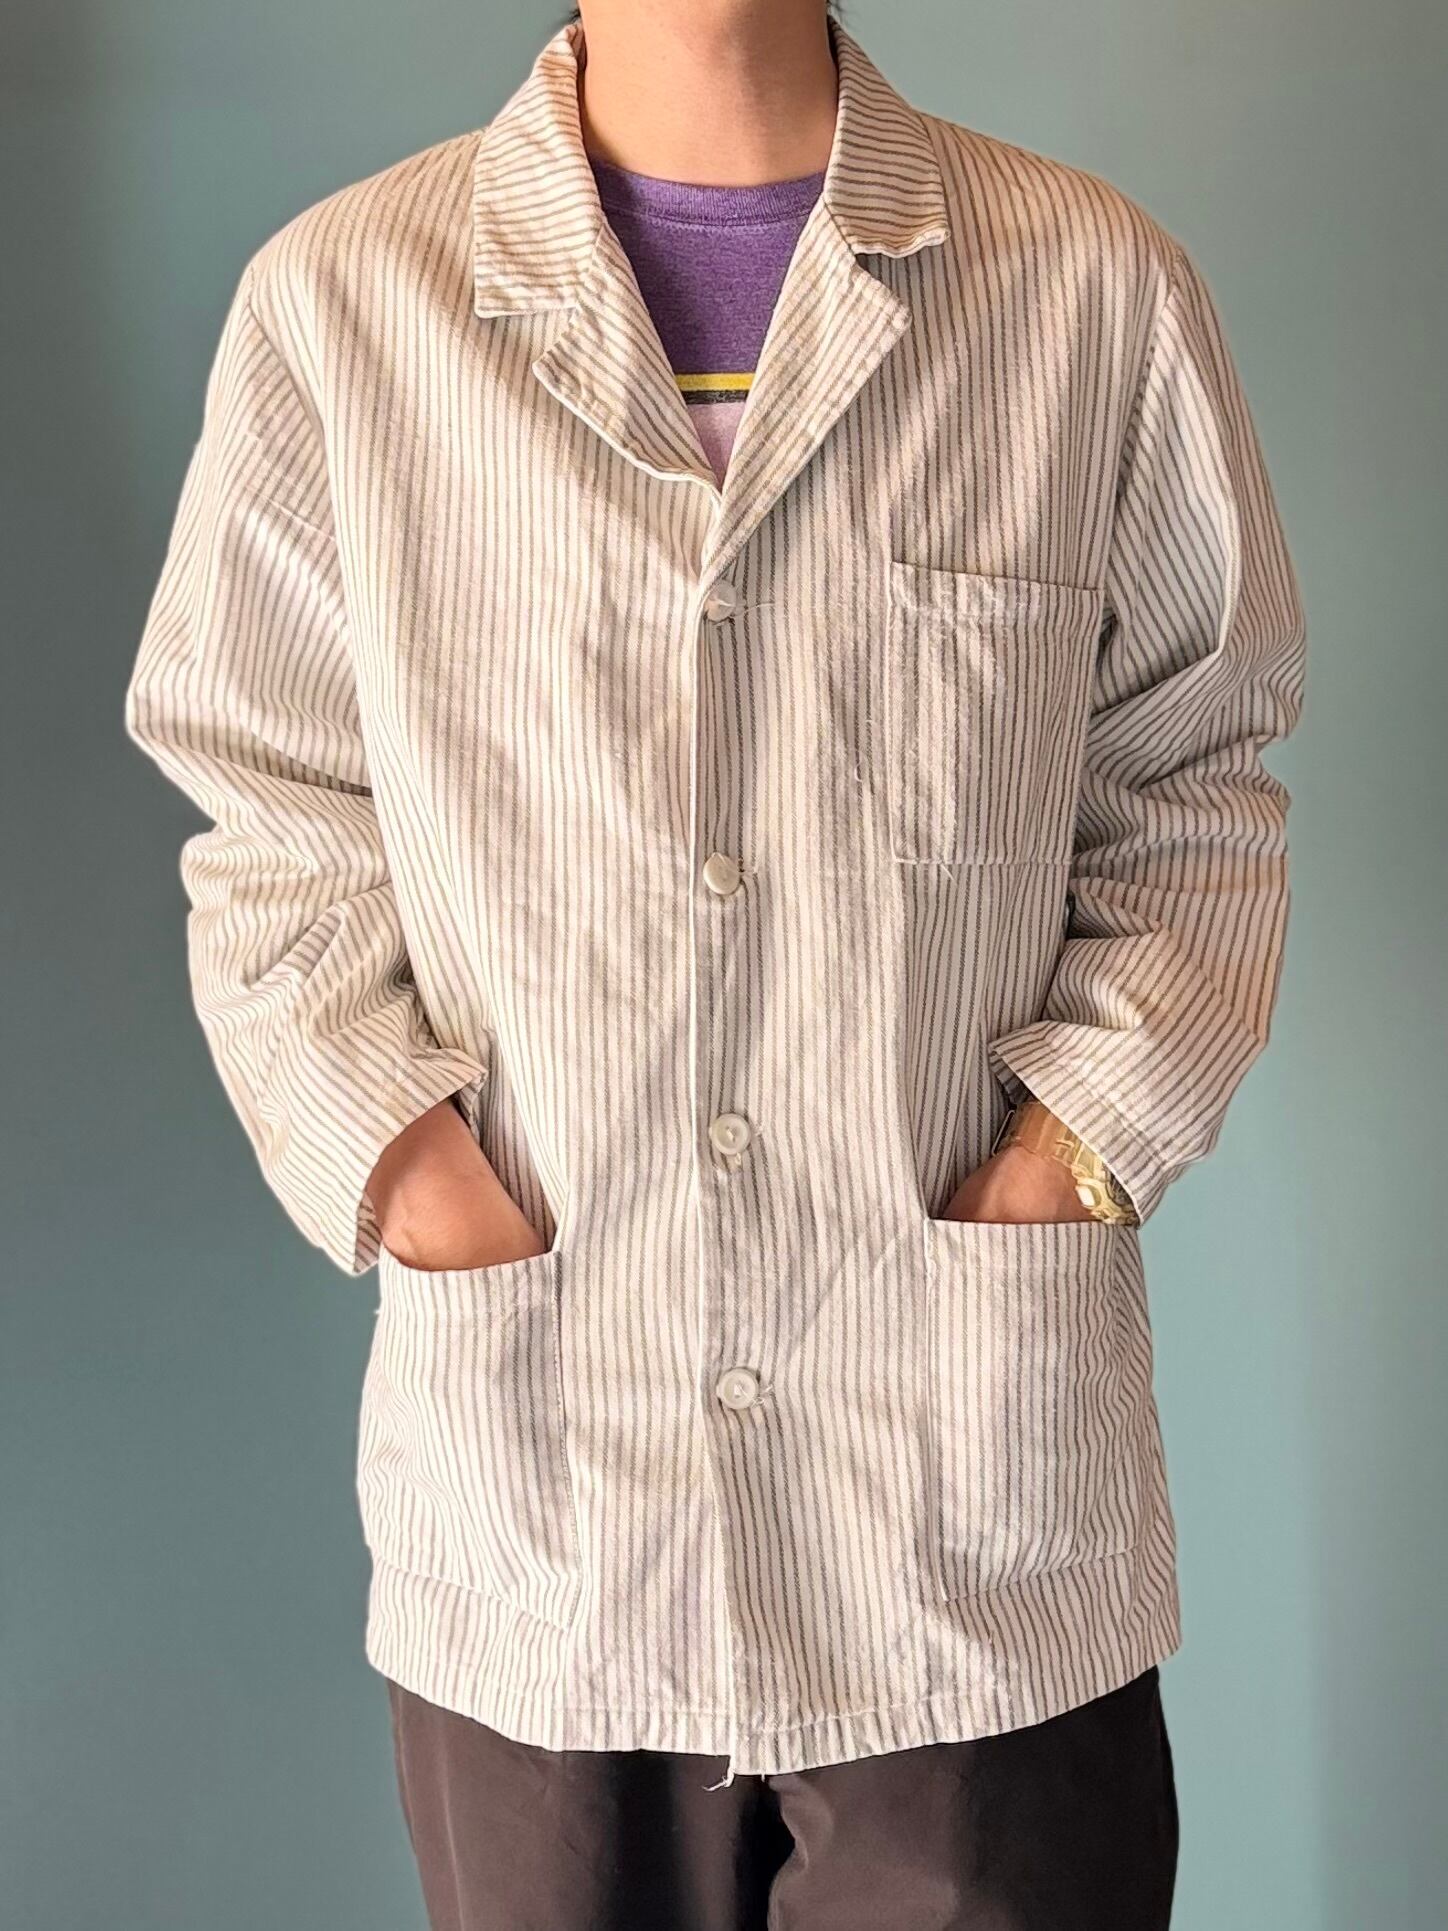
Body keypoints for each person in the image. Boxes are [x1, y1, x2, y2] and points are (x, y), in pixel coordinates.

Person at [123, 2, 1306, 1924]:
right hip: (547, 1500)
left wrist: (1069, 1153)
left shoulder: (1091, 292)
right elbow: (271, 809)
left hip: (967, 1510)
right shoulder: (345, 307)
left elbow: (1194, 779)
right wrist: (414, 1178)